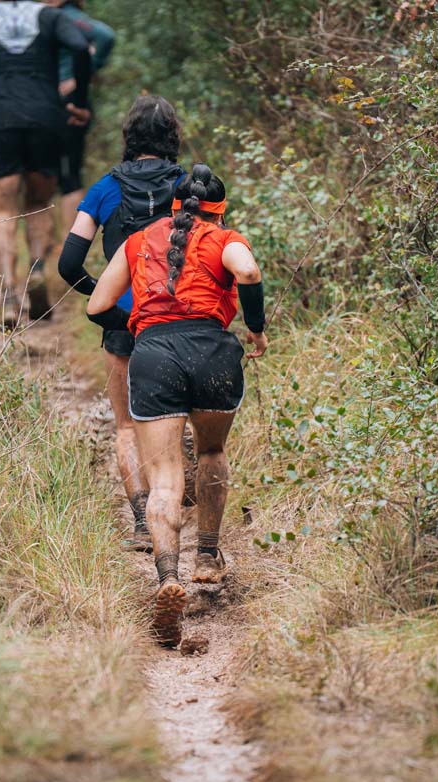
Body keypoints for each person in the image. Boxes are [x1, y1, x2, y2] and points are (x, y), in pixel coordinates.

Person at [86, 164, 268, 646]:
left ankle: (168, 577)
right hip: (213, 353)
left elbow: (96, 306)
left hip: (154, 357)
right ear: (220, 211)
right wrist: (256, 328)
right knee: (210, 452)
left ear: (172, 206)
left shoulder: (138, 241)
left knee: (165, 478)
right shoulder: (224, 238)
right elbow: (248, 271)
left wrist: (141, 323)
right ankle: (206, 555)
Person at [58, 96, 185, 553]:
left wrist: (106, 296)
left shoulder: (103, 190)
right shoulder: (189, 186)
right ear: (172, 136)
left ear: (129, 136)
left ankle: (141, 521)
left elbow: (68, 264)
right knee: (179, 418)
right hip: (180, 315)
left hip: (125, 320)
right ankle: (178, 509)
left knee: (128, 426)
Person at [0, 1, 93, 327]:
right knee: (38, 204)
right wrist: (79, 100)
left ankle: (8, 297)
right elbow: (80, 47)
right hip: (45, 119)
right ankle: (36, 272)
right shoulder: (51, 17)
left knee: (3, 211)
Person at [46, 0, 116, 233]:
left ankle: (63, 244)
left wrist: (78, 77)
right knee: (65, 175)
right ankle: (65, 243)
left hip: (62, 104)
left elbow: (105, 36)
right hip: (53, 104)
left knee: (59, 175)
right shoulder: (46, 16)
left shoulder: (68, 16)